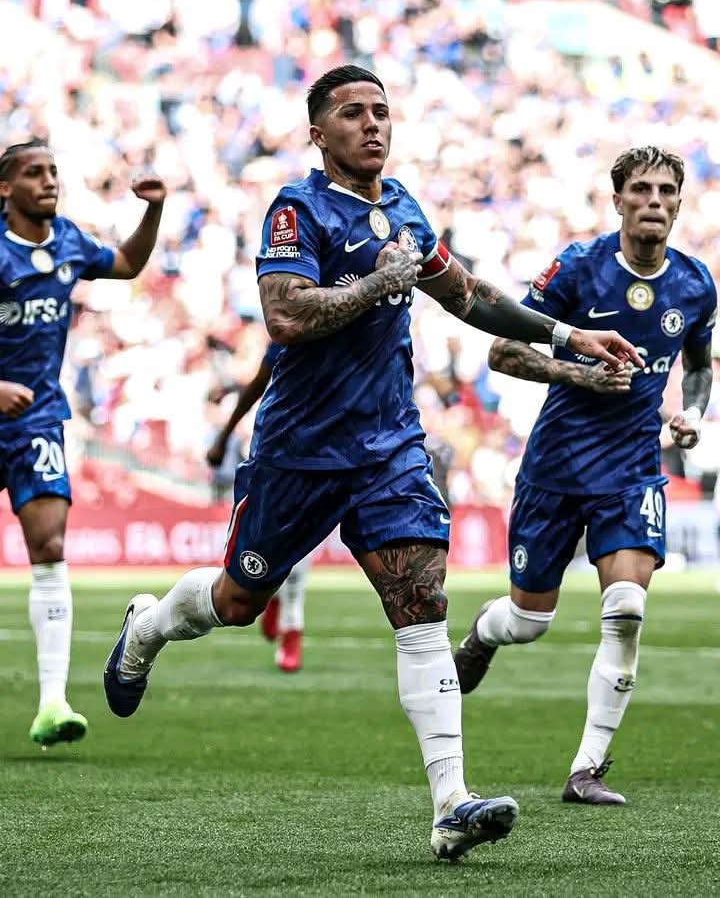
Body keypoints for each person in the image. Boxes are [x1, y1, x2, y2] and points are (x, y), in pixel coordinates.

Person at [104, 66, 641, 860]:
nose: (372, 124)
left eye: (382, 111)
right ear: (318, 133)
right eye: (353, 112)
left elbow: (467, 294)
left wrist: (566, 335)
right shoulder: (298, 209)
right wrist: (379, 282)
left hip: (388, 447)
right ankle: (146, 629)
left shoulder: (405, 209)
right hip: (301, 451)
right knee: (238, 600)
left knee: (422, 604)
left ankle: (451, 805)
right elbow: (286, 315)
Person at [454, 146, 716, 806]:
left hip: (632, 472)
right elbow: (503, 350)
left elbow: (698, 365)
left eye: (665, 191)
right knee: (527, 621)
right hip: (556, 468)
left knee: (626, 609)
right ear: (618, 200)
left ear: (679, 202)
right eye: (641, 190)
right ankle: (484, 632)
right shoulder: (576, 269)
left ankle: (587, 769)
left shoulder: (696, 284)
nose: (653, 201)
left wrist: (691, 413)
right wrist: (577, 373)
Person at [0, 138, 166, 747]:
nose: (48, 181)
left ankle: (52, 703)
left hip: (37, 420)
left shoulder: (68, 240)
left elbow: (125, 264)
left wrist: (153, 210)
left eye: (52, 171)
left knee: (49, 545)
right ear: (5, 189)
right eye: (34, 173)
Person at [206, 341, 310, 673]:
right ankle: (273, 595)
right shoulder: (290, 332)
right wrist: (223, 437)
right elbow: (257, 385)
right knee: (267, 543)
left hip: (325, 456)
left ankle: (292, 628)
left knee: (303, 542)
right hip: (277, 454)